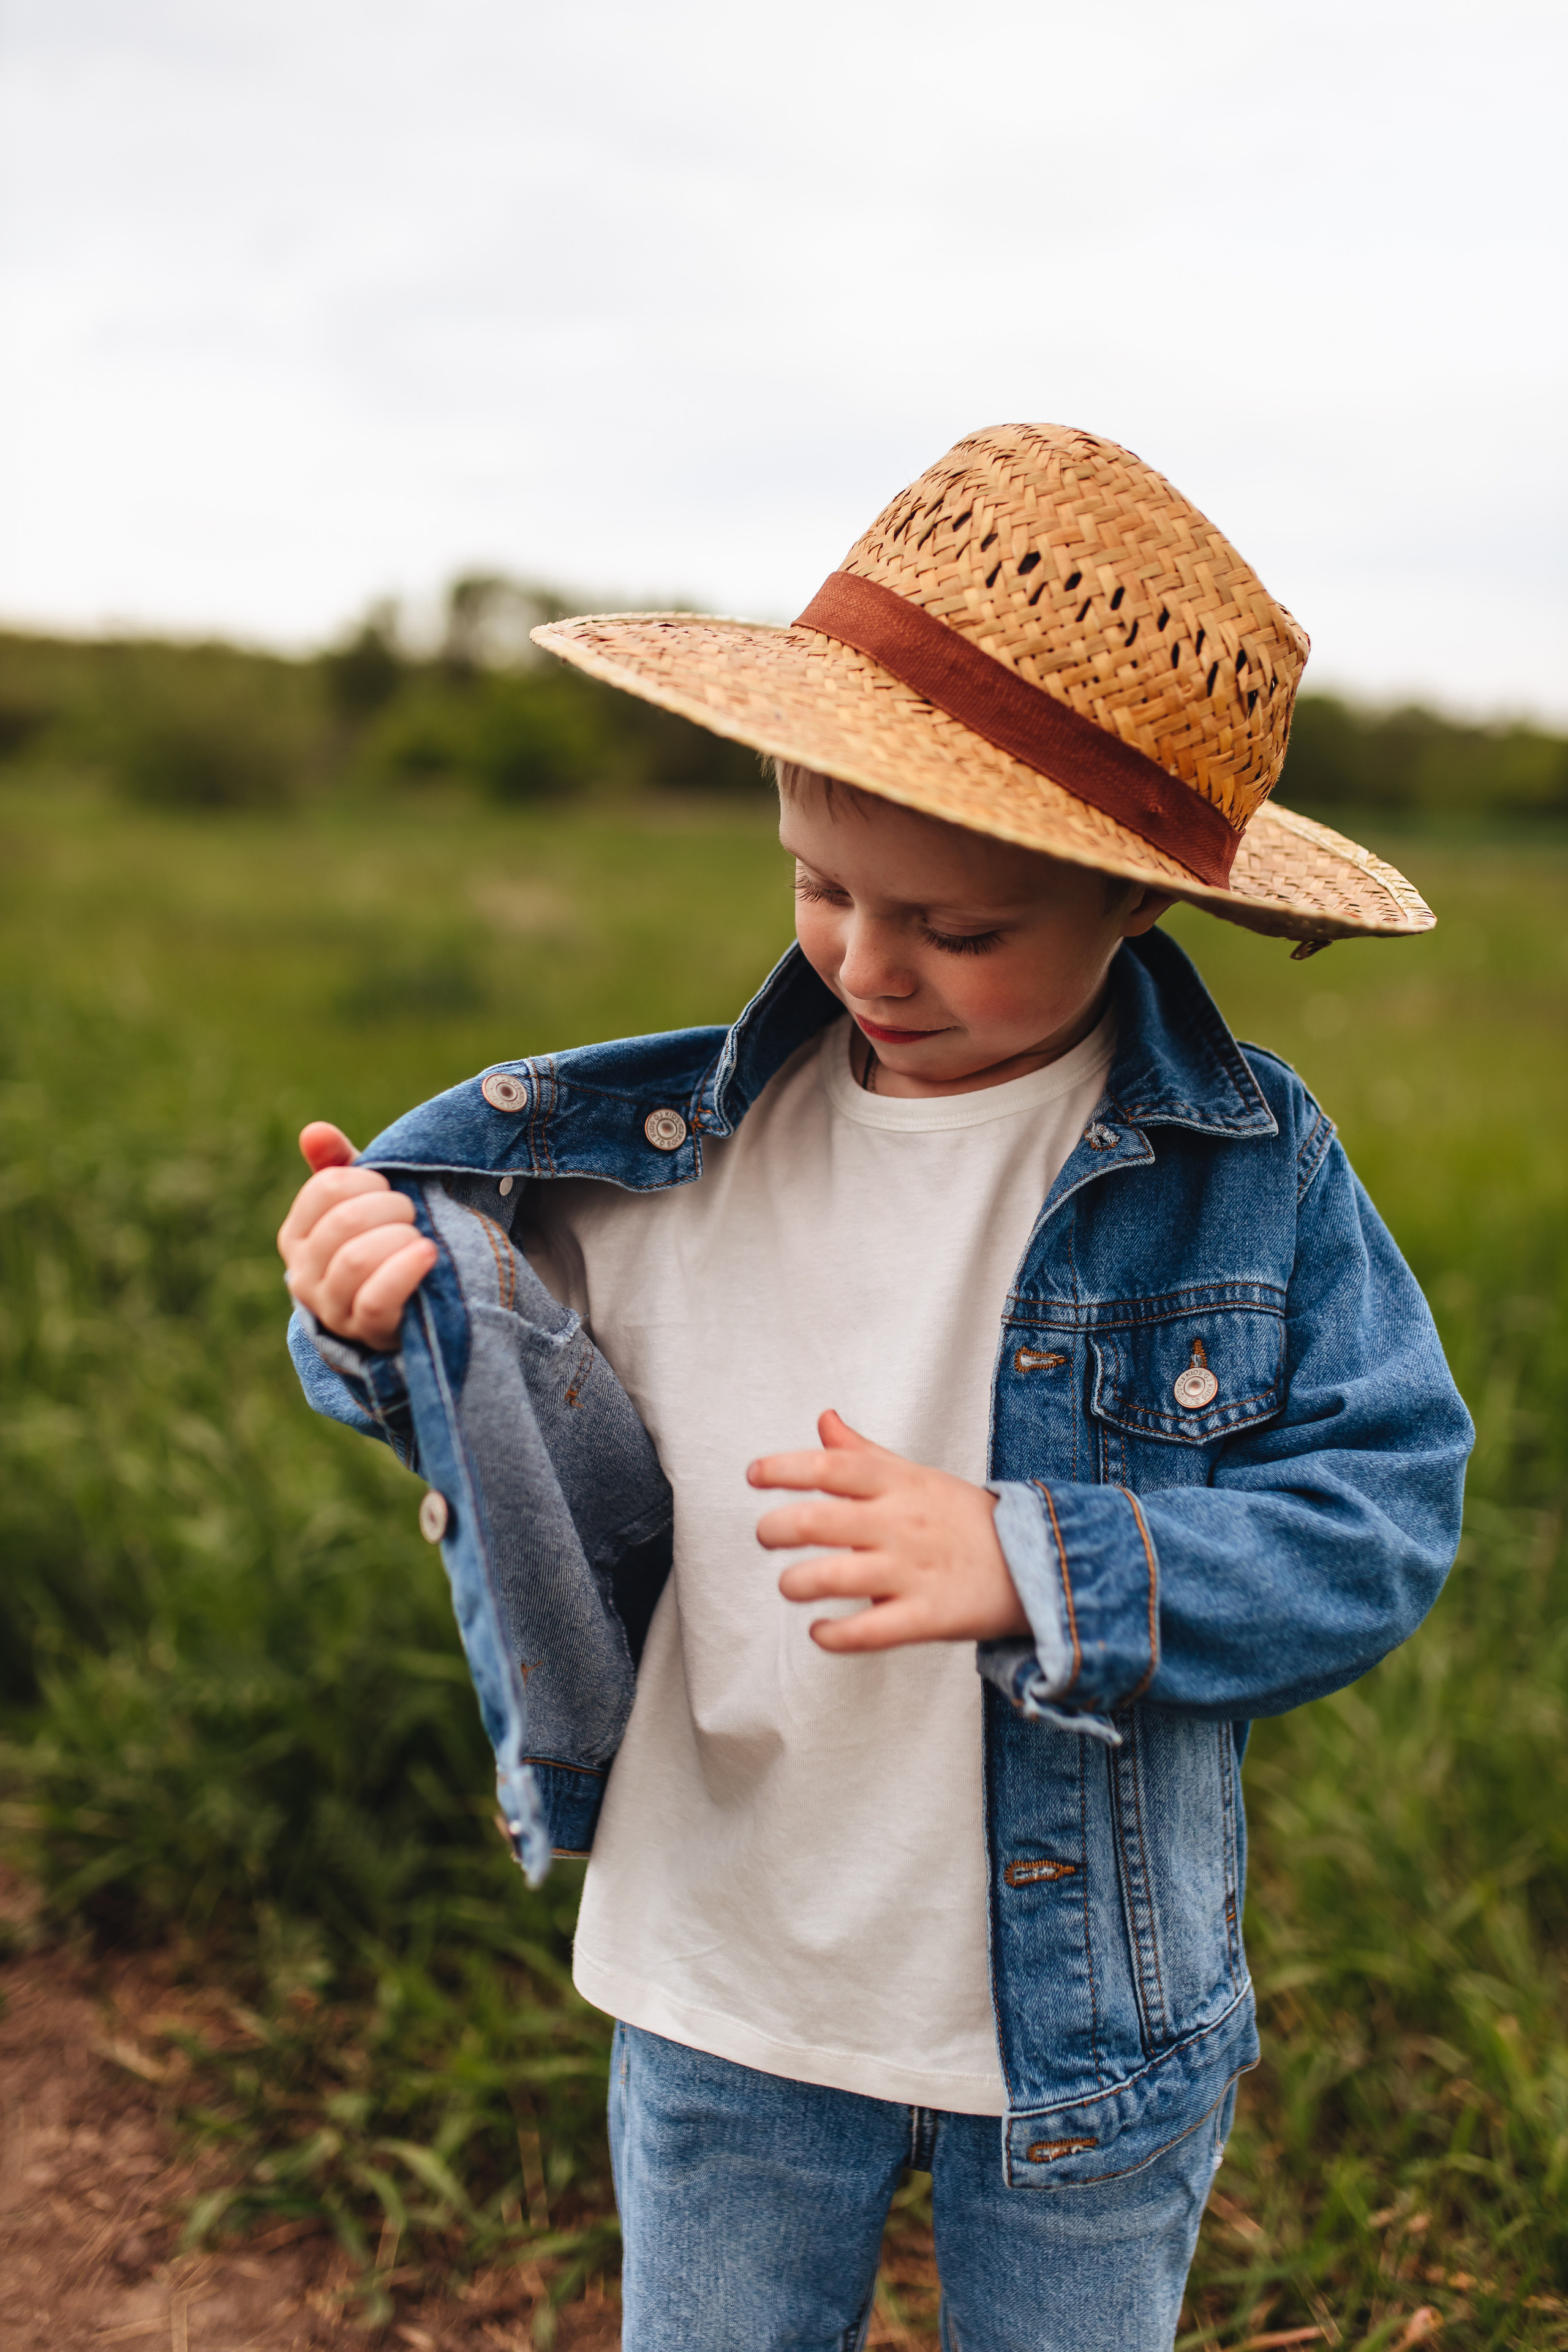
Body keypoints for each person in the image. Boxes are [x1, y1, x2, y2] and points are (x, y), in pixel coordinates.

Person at [277, 424, 1472, 2351]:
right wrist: (372, 1308)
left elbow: (1384, 1513)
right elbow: (469, 1381)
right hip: (724, 1967)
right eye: (824, 887)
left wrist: (1041, 1559)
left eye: (962, 929)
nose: (870, 965)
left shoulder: (1247, 1173)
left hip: (1086, 2021)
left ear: (1134, 904)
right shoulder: (646, 1143)